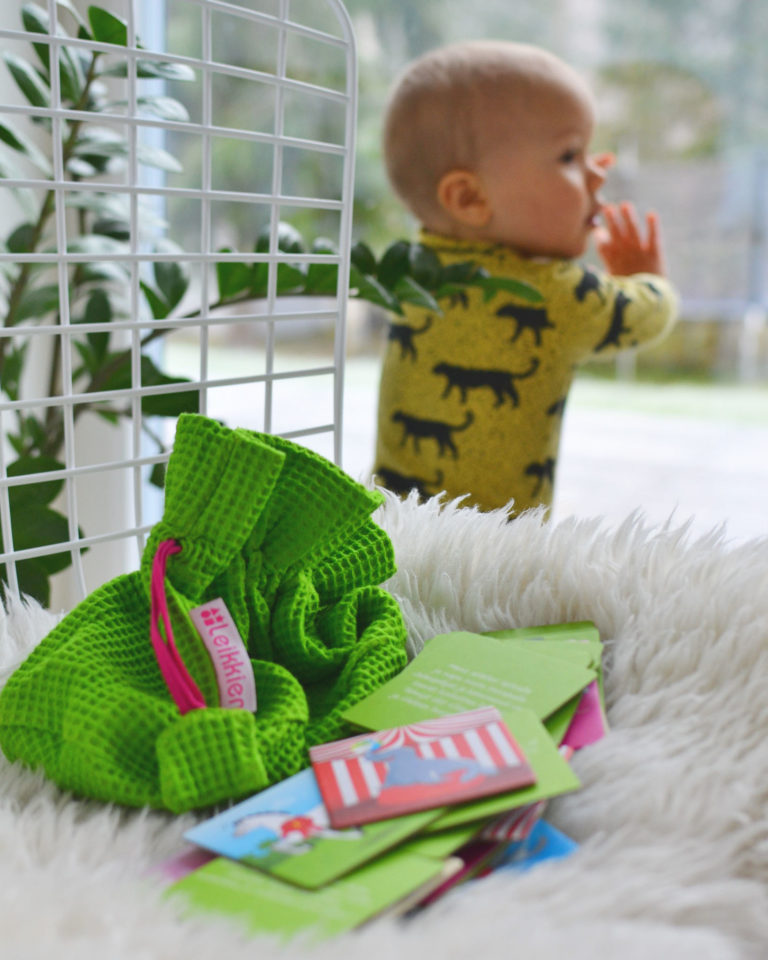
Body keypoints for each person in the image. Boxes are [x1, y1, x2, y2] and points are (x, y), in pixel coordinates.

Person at [373, 40, 678, 516]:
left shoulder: (411, 272)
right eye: (570, 156)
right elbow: (648, 315)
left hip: (389, 521)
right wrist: (645, 275)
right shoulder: (554, 296)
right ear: (470, 198)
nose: (598, 175)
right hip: (496, 545)